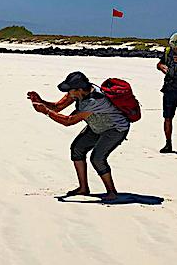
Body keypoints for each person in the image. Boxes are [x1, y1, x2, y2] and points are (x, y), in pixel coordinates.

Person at [28, 71, 133, 202]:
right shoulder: (78, 93)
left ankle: (112, 192)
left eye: (69, 90)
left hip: (115, 129)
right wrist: (40, 101)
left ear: (79, 89)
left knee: (97, 158)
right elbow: (57, 107)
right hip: (96, 125)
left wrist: (46, 112)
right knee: (77, 149)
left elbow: (69, 121)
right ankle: (83, 188)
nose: (68, 93)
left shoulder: (94, 101)